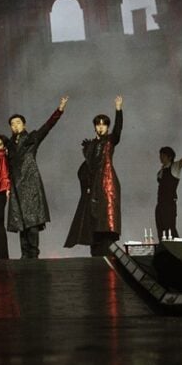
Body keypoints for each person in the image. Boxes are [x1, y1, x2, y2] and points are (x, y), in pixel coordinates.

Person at [4, 97, 67, 259]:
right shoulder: (9, 146)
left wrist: (59, 110)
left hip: (31, 184)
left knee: (32, 222)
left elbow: (47, 126)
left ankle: (33, 255)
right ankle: (24, 255)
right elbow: (7, 168)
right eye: (12, 124)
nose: (15, 126)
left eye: (18, 122)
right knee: (21, 222)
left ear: (24, 125)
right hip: (16, 186)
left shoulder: (32, 138)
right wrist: (8, 186)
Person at [64, 97, 124, 255]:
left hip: (106, 184)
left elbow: (118, 130)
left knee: (106, 223)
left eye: (104, 124)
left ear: (107, 127)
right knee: (93, 224)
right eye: (98, 124)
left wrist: (118, 110)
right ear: (95, 127)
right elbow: (87, 167)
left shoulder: (110, 140)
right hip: (92, 187)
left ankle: (107, 259)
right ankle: (96, 258)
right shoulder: (90, 145)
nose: (101, 127)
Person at [155, 137, 182, 240]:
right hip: (160, 204)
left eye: (163, 155)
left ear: (169, 157)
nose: (160, 157)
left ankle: (178, 248)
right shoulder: (161, 171)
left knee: (170, 229)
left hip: (169, 204)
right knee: (161, 230)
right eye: (160, 155)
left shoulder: (175, 167)